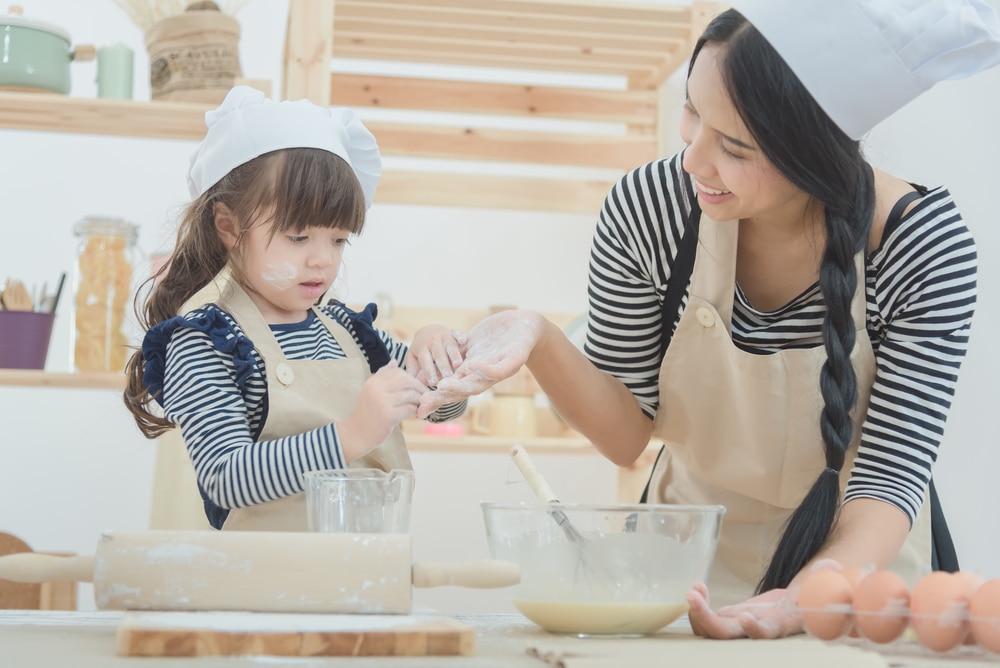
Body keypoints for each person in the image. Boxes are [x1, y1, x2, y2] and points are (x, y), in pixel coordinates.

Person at [417, 0, 1000, 639]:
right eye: (691, 112)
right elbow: (626, 435)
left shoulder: (920, 245)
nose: (694, 160)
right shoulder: (652, 207)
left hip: (855, 574)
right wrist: (537, 336)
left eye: (735, 146)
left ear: (817, 157)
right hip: (682, 563)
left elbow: (889, 480)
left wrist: (798, 602)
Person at [124, 86, 466, 532]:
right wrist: (353, 434)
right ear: (229, 226)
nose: (322, 259)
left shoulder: (350, 333)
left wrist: (437, 354)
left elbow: (441, 409)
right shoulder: (204, 342)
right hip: (266, 588)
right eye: (298, 237)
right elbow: (226, 478)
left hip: (367, 577)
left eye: (339, 239)